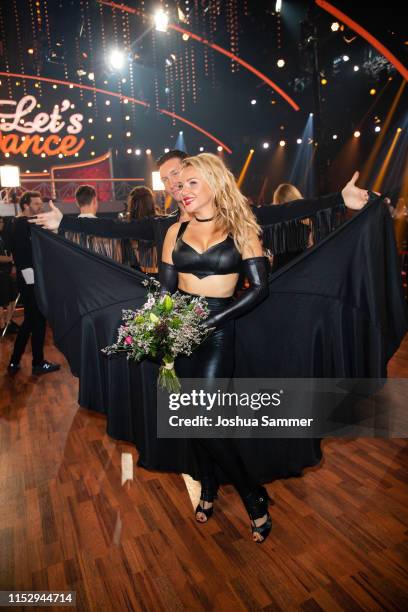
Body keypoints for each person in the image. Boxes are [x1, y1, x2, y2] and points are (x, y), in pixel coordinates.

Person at [157, 153, 373, 543]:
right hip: (180, 331)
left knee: (203, 421)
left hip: (218, 332)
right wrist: (160, 327)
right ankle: (207, 486)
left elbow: (260, 289)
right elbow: (166, 290)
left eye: (190, 183)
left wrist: (211, 322)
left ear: (214, 183)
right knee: (192, 421)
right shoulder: (173, 232)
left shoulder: (242, 228)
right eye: (178, 184)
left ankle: (252, 495)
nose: (181, 190)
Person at [7, 192, 60, 375]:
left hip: (29, 279)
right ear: (25, 205)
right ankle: (35, 362)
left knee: (32, 321)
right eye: (36, 204)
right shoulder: (23, 223)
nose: (40, 207)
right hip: (30, 280)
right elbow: (24, 257)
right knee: (36, 320)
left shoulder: (18, 223)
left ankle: (16, 361)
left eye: (40, 203)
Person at [271, 183, 311, 270]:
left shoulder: (279, 229)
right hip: (304, 277)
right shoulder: (309, 226)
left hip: (284, 278)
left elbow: (278, 264)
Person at [0, 216, 19, 334]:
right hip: (1, 274)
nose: (2, 223)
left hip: (7, 274)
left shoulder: (3, 237)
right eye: (0, 221)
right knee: (1, 303)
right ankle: (2, 325)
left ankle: (8, 323)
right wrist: (11, 259)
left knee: (12, 300)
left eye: (2, 221)